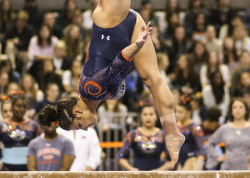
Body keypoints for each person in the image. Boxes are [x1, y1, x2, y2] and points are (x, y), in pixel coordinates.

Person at [39, 0, 185, 169]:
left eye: (79, 126)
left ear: (77, 111)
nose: (85, 130)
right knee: (151, 79)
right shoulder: (96, 96)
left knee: (152, 79)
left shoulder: (90, 90)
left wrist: (137, 44)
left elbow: (119, 62)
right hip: (127, 31)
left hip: (110, 20)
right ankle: (171, 132)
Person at [118, 100, 170, 171]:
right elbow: (120, 157)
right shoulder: (132, 134)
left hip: (156, 175)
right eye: (145, 114)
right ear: (141, 117)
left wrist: (160, 170)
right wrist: (131, 169)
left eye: (151, 114)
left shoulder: (163, 135)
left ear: (156, 117)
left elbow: (171, 160)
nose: (148, 117)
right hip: (138, 174)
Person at [206, 98, 250, 170]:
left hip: (247, 168)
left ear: (246, 110)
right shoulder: (225, 128)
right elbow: (210, 143)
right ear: (231, 110)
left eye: (241, 107)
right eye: (234, 107)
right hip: (228, 168)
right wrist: (218, 156)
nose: (237, 110)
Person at [0, 94, 41, 171]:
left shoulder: (33, 125)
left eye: (24, 106)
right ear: (12, 107)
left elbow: (39, 148)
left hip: (29, 166)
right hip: (6, 166)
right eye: (18, 106)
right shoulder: (2, 125)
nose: (21, 109)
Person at [174, 95, 205, 170]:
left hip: (191, 160)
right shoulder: (174, 126)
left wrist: (199, 163)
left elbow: (202, 147)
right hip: (178, 160)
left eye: (180, 112)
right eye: (176, 111)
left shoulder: (195, 128)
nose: (177, 114)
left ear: (188, 113)